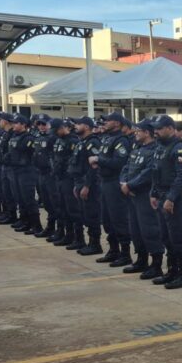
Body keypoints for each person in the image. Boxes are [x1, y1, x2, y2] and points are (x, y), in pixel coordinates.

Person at [152, 117, 182, 288]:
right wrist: (153, 193)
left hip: (174, 199)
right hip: (161, 195)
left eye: (159, 129)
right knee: (166, 237)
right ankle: (172, 271)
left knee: (178, 238)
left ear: (170, 128)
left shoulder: (180, 149)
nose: (156, 132)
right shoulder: (160, 147)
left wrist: (171, 198)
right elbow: (155, 172)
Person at [120, 120, 163, 279]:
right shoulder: (136, 148)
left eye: (139, 130)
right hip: (132, 195)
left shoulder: (155, 150)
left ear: (147, 132)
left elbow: (148, 173)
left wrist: (130, 185)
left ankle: (156, 263)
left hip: (145, 194)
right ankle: (141, 259)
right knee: (135, 229)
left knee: (149, 229)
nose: (135, 132)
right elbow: (126, 167)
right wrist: (123, 182)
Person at [92, 113, 134, 265]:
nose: (105, 123)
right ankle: (113, 250)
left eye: (108, 121)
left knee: (119, 218)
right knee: (107, 219)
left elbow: (119, 162)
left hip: (114, 183)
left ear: (116, 123)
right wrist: (101, 162)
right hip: (105, 181)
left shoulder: (121, 140)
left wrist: (99, 160)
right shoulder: (107, 138)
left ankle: (125, 253)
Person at [68, 116, 103, 254]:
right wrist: (77, 185)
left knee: (92, 215)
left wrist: (87, 186)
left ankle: (95, 245)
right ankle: (85, 241)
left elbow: (93, 167)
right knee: (83, 214)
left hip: (90, 184)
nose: (76, 126)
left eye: (79, 124)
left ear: (87, 127)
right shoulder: (81, 142)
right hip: (79, 182)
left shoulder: (93, 142)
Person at [6, 115, 41, 233]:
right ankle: (25, 221)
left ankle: (36, 225)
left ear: (23, 125)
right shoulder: (14, 137)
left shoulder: (29, 138)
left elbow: (33, 154)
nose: (13, 125)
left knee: (28, 198)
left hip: (26, 171)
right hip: (15, 170)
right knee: (19, 197)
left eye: (16, 123)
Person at [46, 119, 74, 245]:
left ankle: (74, 236)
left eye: (56, 130)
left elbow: (73, 161)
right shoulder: (58, 140)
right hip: (59, 177)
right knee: (61, 207)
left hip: (68, 179)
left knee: (71, 209)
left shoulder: (73, 141)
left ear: (63, 128)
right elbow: (54, 156)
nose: (55, 133)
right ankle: (63, 232)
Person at [31, 115, 57, 237]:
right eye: (39, 124)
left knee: (54, 202)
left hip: (51, 174)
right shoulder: (37, 137)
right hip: (40, 173)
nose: (41, 126)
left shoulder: (53, 138)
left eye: (44, 124)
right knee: (46, 202)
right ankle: (51, 227)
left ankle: (58, 229)